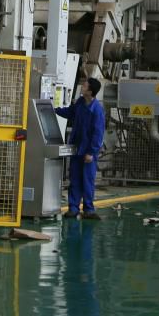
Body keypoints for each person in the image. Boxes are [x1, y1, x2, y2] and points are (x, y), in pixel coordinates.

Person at [55, 75, 106, 220]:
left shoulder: (97, 110)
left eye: (84, 86)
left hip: (88, 151)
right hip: (77, 148)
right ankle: (73, 208)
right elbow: (70, 112)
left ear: (90, 91)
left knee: (87, 180)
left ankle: (89, 209)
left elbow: (98, 133)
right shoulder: (80, 103)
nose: (82, 87)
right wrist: (54, 110)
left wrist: (91, 152)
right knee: (75, 179)